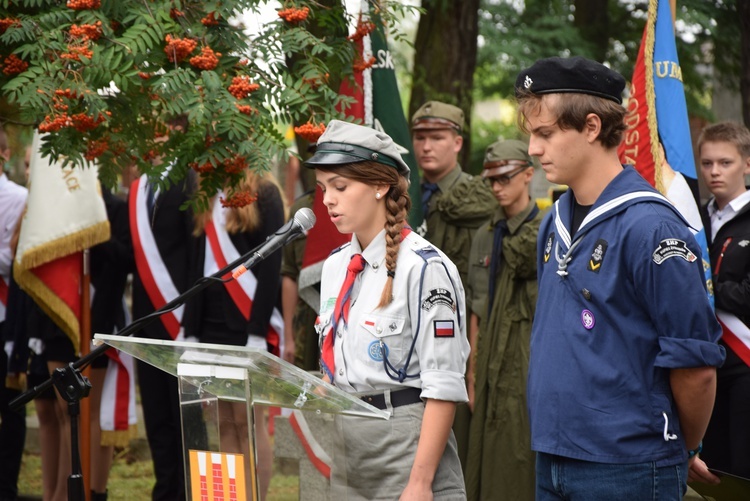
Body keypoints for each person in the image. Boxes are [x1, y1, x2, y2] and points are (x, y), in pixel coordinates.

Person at [517, 56, 725, 500]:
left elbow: (695, 366)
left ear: (592, 127)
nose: (533, 149)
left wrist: (681, 447)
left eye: (545, 133)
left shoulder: (651, 227)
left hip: (627, 465)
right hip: (553, 454)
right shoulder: (552, 222)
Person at [306, 119, 469, 499]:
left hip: (405, 446)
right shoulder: (335, 267)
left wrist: (420, 483)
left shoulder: (425, 268)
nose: (328, 199)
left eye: (340, 187)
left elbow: (443, 384)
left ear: (381, 186)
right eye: (323, 188)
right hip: (347, 447)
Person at [184, 168, 286, 501]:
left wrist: (257, 332)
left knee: (248, 423)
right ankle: (231, 497)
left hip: (246, 325)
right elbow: (197, 264)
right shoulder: (205, 190)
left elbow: (271, 269)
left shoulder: (266, 194)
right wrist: (190, 330)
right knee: (224, 422)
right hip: (210, 324)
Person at [412, 100, 495, 469]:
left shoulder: (481, 200)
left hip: (453, 342)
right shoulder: (404, 194)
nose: (426, 146)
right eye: (419, 137)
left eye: (437, 137)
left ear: (458, 143)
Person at [464, 139, 543, 501]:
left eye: (506, 178)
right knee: (483, 445)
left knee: (521, 449)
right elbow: (477, 307)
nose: (498, 187)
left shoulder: (547, 229)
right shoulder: (485, 235)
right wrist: (471, 373)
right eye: (492, 180)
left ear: (528, 174)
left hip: (529, 354)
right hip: (489, 357)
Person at [129, 120, 198, 501]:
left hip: (180, 323)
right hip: (145, 321)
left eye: (164, 123)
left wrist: (190, 319)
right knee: (156, 417)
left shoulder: (191, 179)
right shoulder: (140, 186)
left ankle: (184, 493)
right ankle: (163, 492)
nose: (155, 131)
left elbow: (195, 256)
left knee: (181, 418)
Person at [694, 121, 750, 483]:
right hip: (703, 360)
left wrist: (710, 287)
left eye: (725, 163)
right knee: (714, 472)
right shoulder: (693, 218)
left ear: (747, 163)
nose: (714, 172)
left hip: (745, 362)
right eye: (707, 163)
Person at [0, 127, 28, 501]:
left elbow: (17, 259)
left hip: (6, 317)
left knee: (10, 407)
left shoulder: (18, 197)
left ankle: (6, 487)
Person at [280, 189, 319, 370]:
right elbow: (290, 273)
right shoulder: (302, 211)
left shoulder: (355, 209)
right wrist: (289, 337)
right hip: (306, 327)